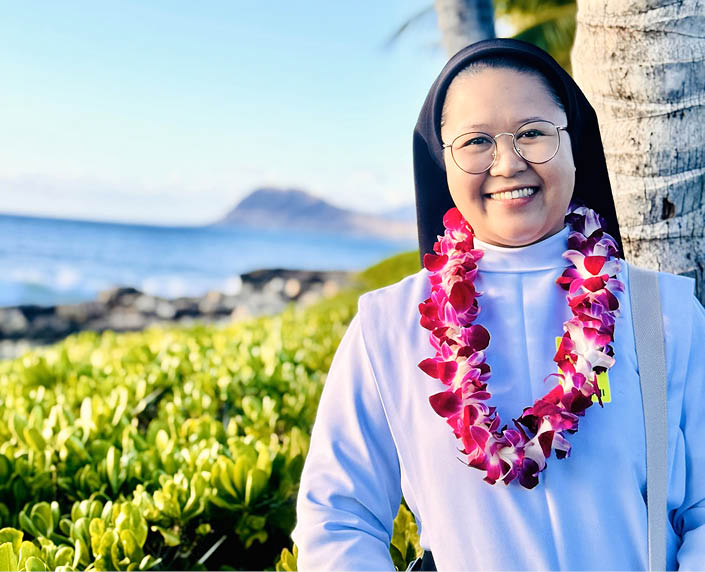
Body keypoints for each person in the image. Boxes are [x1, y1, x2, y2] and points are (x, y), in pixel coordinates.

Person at [291, 38, 705, 570]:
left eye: (533, 132)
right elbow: (337, 518)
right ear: (442, 162)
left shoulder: (664, 313)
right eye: (476, 141)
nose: (508, 163)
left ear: (574, 143)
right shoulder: (388, 326)